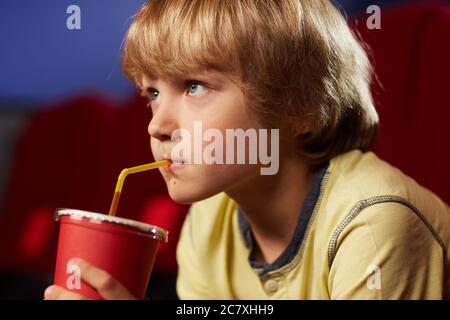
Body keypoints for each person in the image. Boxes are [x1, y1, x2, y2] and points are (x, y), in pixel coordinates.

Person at [44, 0, 450, 300]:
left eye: (193, 86)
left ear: (299, 106)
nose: (156, 125)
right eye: (152, 92)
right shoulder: (208, 220)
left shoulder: (374, 225)